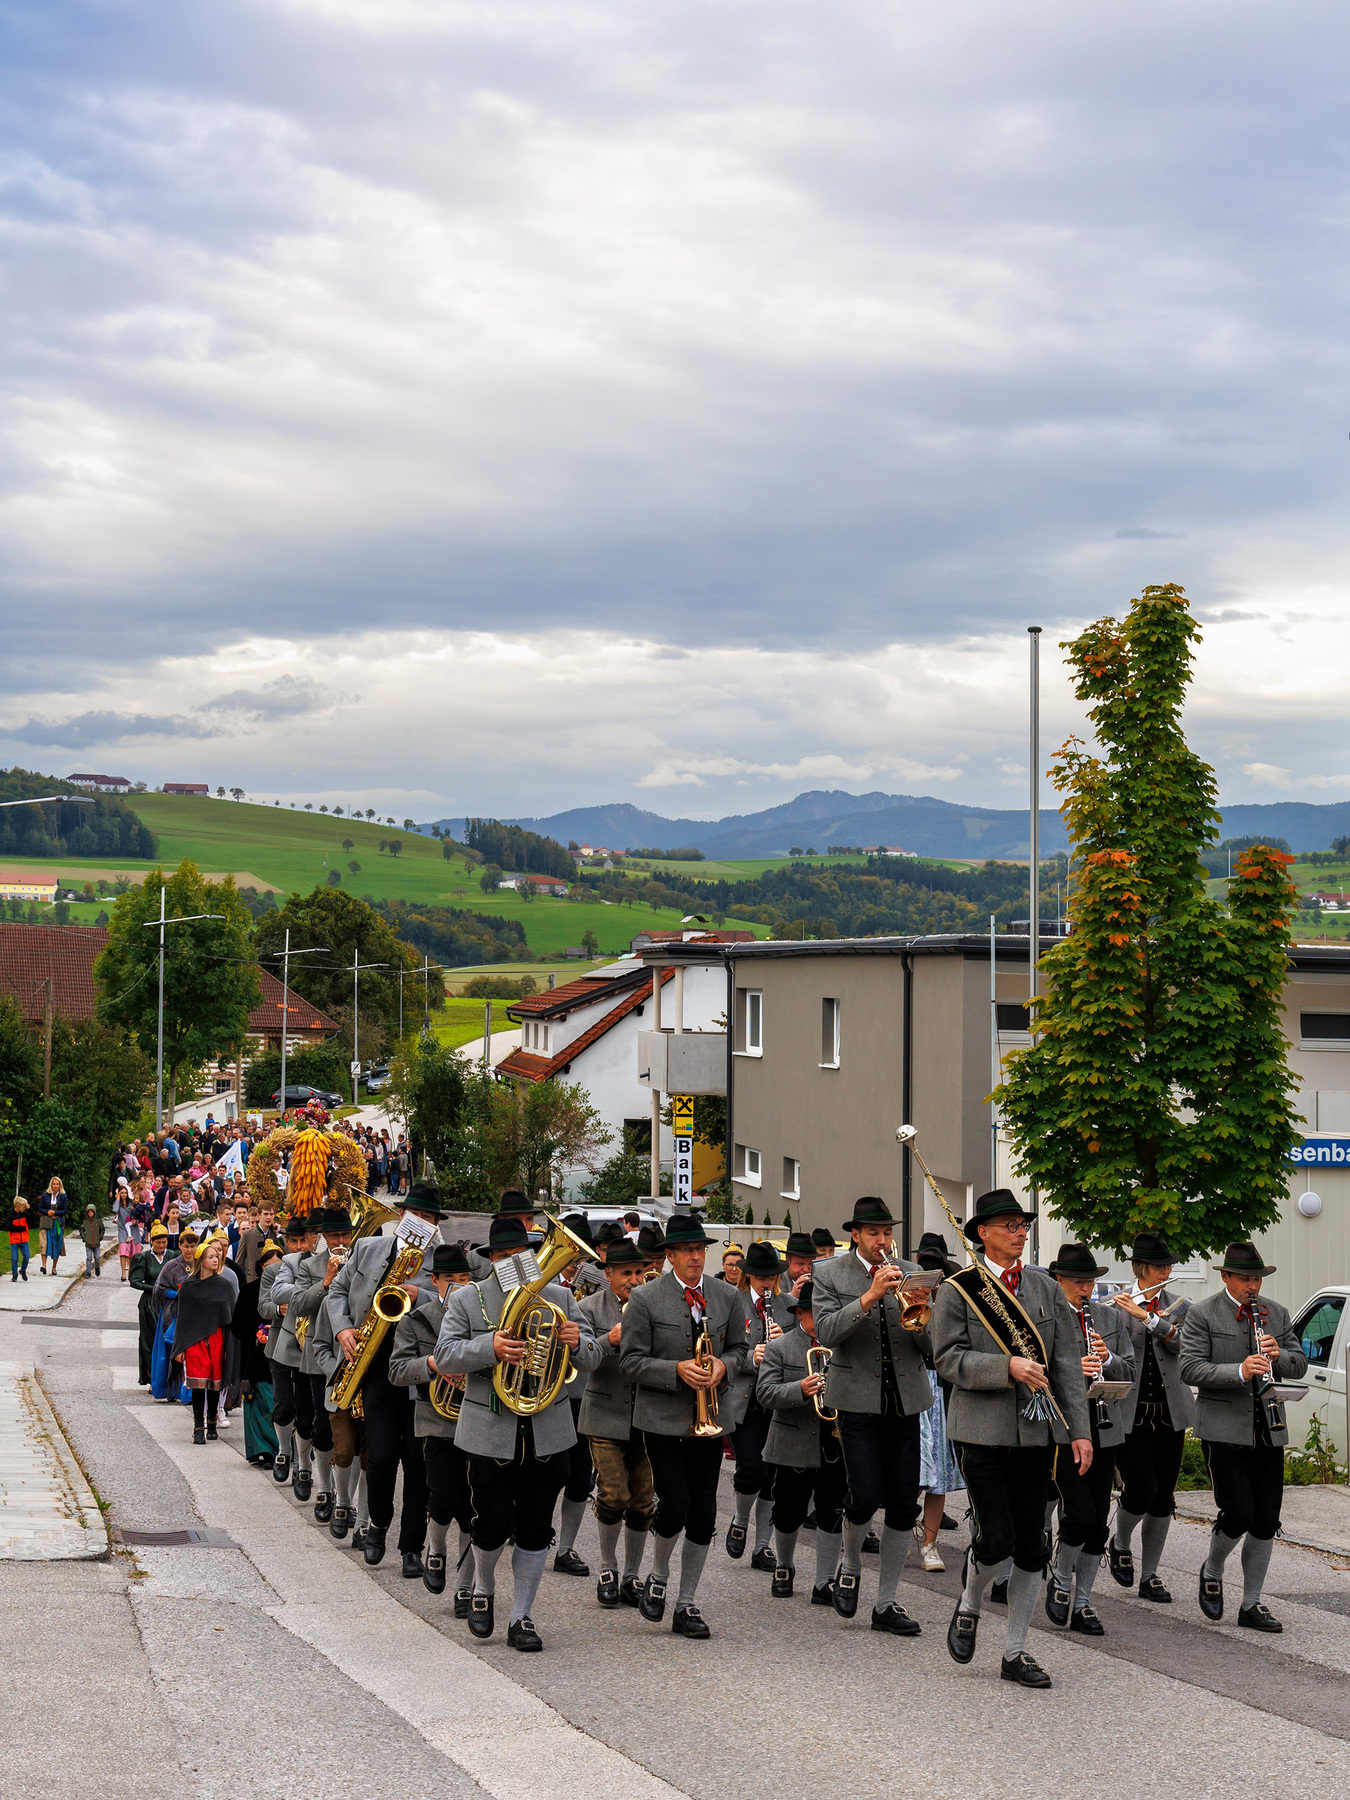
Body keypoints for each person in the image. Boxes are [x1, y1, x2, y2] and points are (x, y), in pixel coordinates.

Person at [932, 1188, 1091, 1690]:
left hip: (1036, 1432)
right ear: (983, 1233)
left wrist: (1078, 1432)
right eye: (1010, 1226)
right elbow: (947, 1359)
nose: (1020, 1233)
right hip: (980, 1430)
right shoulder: (958, 1290)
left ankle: (1015, 1651)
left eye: (1023, 1226)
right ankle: (970, 1602)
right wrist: (1007, 1367)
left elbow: (1066, 1364)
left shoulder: (1045, 1288)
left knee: (1032, 1546)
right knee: (995, 1539)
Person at [433, 1213, 603, 1651]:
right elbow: (445, 1355)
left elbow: (593, 1357)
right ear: (491, 1259)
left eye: (520, 1254)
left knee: (535, 1527)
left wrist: (577, 1342)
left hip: (547, 1430)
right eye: (504, 1255)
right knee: (490, 1525)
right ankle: (484, 1587)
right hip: (489, 1430)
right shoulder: (468, 1298)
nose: (513, 1261)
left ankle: (521, 1616)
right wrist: (488, 1347)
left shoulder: (559, 1295)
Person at [619, 1213, 749, 1640]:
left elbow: (740, 1349)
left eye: (700, 1249)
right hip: (662, 1419)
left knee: (704, 1511)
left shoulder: (726, 1295)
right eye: (687, 1250)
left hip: (711, 1419)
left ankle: (686, 1602)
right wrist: (675, 1370)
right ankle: (658, 1576)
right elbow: (630, 1362)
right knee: (674, 1503)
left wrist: (724, 1367)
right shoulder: (645, 1298)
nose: (696, 1256)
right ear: (670, 1256)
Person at [810, 1196, 933, 1636]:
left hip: (905, 1398)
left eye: (887, 1232)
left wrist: (924, 1312)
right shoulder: (829, 1273)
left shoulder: (910, 1271)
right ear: (856, 1235)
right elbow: (826, 1332)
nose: (882, 1240)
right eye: (874, 1233)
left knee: (903, 1502)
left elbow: (932, 1348)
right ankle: (850, 1563)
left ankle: (886, 1602)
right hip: (856, 1399)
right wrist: (870, 1296)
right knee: (863, 1496)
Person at [1180, 1241, 1308, 1632]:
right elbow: (1190, 1368)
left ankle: (1251, 1604)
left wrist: (1279, 1356)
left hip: (1269, 1428)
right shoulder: (1203, 1313)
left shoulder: (1276, 1313)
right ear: (1225, 1277)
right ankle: (1213, 1568)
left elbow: (1300, 1364)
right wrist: (1238, 1370)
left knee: (1266, 1520)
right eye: (1244, 1279)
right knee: (1239, 1513)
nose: (1252, 1286)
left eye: (1257, 1279)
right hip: (1223, 1428)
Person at [328, 1184, 446, 1573]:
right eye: (416, 1215)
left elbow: (457, 1303)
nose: (421, 1223)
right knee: (379, 1456)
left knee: (417, 1463)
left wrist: (420, 1294)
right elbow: (337, 1292)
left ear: (435, 1224)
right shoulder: (367, 1248)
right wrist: (343, 1329)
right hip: (376, 1368)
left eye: (429, 1218)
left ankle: (411, 1546)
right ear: (402, 1216)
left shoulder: (443, 1260)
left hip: (421, 1374)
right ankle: (377, 1524)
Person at [1044, 1244, 1134, 1635]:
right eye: (1078, 1282)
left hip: (1103, 1427)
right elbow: (1034, 1369)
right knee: (1077, 1514)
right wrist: (1069, 1370)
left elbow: (1129, 1371)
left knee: (1097, 1523)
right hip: (1062, 1428)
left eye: (1090, 1282)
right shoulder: (1046, 1316)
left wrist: (1108, 1358)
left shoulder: (1109, 1317)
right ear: (1059, 1280)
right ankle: (1062, 1579)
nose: (1086, 1289)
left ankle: (1082, 1603)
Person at [1106, 1231, 1196, 1602]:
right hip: (1130, 1412)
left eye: (1169, 1265)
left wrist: (1149, 1319)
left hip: (1170, 1412)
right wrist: (1129, 1314)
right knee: (1142, 1489)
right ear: (1141, 1267)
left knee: (1164, 1498)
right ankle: (1121, 1541)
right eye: (1159, 1266)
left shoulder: (1181, 1305)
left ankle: (1150, 1575)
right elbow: (1110, 1355)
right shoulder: (1115, 1306)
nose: (1166, 1271)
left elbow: (1184, 1346)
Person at [388, 1243, 476, 1611]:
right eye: (449, 1278)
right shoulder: (417, 1319)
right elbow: (396, 1371)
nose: (457, 1285)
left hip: (476, 1420)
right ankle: (436, 1549)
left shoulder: (483, 1316)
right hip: (436, 1420)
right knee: (441, 1498)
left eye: (464, 1278)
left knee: (473, 1507)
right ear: (435, 1281)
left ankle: (467, 1587)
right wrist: (432, 1364)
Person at [757, 1280, 847, 1603]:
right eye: (813, 1312)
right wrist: (799, 1389)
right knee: (787, 1510)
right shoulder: (780, 1347)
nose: (820, 1318)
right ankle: (784, 1565)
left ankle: (824, 1581)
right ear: (800, 1314)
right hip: (792, 1441)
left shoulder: (840, 1345)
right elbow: (765, 1393)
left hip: (833, 1440)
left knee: (832, 1509)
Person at [576, 1237, 654, 1608]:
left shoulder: (652, 1305)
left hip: (647, 1415)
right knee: (614, 1494)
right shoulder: (588, 1308)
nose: (634, 1280)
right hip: (605, 1415)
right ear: (609, 1274)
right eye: (626, 1273)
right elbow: (582, 1361)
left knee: (643, 1501)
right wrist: (608, 1339)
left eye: (639, 1272)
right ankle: (607, 1568)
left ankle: (632, 1576)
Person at [727, 1241, 793, 1569]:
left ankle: (762, 1547)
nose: (767, 1282)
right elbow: (719, 1353)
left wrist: (784, 1345)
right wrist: (752, 1357)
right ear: (749, 1275)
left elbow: (802, 1352)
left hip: (777, 1401)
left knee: (772, 1476)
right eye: (760, 1276)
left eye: (771, 1276)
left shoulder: (789, 1306)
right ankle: (740, 1520)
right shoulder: (731, 1302)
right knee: (751, 1469)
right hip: (744, 1400)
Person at [552, 1214, 599, 1574]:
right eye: (572, 1256)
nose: (576, 1263)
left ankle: (566, 1548)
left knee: (581, 1476)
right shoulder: (541, 1284)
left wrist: (580, 1338)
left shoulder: (592, 1287)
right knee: (548, 1475)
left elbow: (591, 1347)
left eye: (580, 1257)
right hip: (542, 1393)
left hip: (580, 1394)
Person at [914, 1233, 963, 1572]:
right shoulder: (901, 1299)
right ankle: (895, 1529)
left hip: (942, 1392)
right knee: (912, 1471)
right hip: (912, 1390)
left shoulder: (950, 1302)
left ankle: (930, 1545)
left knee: (939, 1474)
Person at [269, 1214, 321, 1496]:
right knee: (284, 1406)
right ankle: (283, 1450)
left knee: (307, 1414)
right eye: (313, 1234)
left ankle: (304, 1466)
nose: (315, 1239)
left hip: (317, 1348)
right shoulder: (291, 1261)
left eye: (319, 1233)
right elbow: (278, 1292)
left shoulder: (342, 1262)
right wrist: (319, 1285)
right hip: (290, 1345)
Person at [174, 1237, 237, 1443]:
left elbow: (230, 1317)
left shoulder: (225, 1286)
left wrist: (230, 1346)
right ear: (201, 1260)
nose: (215, 1259)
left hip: (217, 1338)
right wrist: (180, 1346)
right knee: (199, 1383)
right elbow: (183, 1318)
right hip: (194, 1340)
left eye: (217, 1256)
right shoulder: (188, 1286)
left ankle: (212, 1424)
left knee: (214, 1383)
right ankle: (198, 1427)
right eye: (210, 1257)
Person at [231, 1237, 284, 1465]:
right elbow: (237, 1325)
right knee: (260, 1401)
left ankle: (282, 1449)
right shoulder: (249, 1291)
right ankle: (263, 1448)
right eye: (269, 1266)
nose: (273, 1271)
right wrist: (256, 1332)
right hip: (256, 1355)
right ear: (261, 1267)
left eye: (278, 1266)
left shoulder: (289, 1291)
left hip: (283, 1351)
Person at [129, 1223, 171, 1385]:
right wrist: (154, 1289)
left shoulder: (172, 1256)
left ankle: (168, 1378)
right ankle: (152, 1378)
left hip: (168, 1303)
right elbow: (135, 1281)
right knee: (150, 1341)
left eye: (164, 1242)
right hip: (149, 1304)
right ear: (151, 1241)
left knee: (168, 1340)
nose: (161, 1245)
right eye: (158, 1242)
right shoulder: (144, 1257)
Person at [41, 1177, 68, 1276]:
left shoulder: (63, 1196)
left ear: (60, 1185)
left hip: (58, 1223)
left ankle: (54, 1267)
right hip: (47, 1223)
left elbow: (65, 1210)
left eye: (57, 1184)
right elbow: (40, 1208)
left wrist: (55, 1213)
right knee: (45, 1243)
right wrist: (48, 1212)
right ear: (51, 1185)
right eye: (54, 1184)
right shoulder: (45, 1195)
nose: (55, 1186)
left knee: (57, 1244)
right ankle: (44, 1265)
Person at [781, 1231, 817, 1298]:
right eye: (801, 1264)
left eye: (810, 1264)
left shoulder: (820, 1280)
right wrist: (791, 1296)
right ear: (787, 1260)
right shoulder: (776, 1282)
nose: (806, 1270)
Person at [7, 1194, 32, 1283]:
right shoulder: (11, 1216)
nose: (24, 1208)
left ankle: (23, 1270)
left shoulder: (24, 1214)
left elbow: (32, 1217)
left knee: (26, 1255)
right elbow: (9, 1227)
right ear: (17, 1206)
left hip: (24, 1239)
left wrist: (29, 1209)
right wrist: (21, 1229)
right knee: (14, 1258)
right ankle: (14, 1274)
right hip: (14, 1239)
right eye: (23, 1207)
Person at [81, 1204, 103, 1278]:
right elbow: (81, 1230)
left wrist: (100, 1236)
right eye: (89, 1212)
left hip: (96, 1243)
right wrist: (84, 1238)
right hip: (88, 1243)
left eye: (92, 1211)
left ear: (94, 1212)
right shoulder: (85, 1222)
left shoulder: (98, 1221)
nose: (90, 1213)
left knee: (97, 1257)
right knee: (89, 1258)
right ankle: (88, 1272)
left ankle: (97, 1268)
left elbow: (102, 1229)